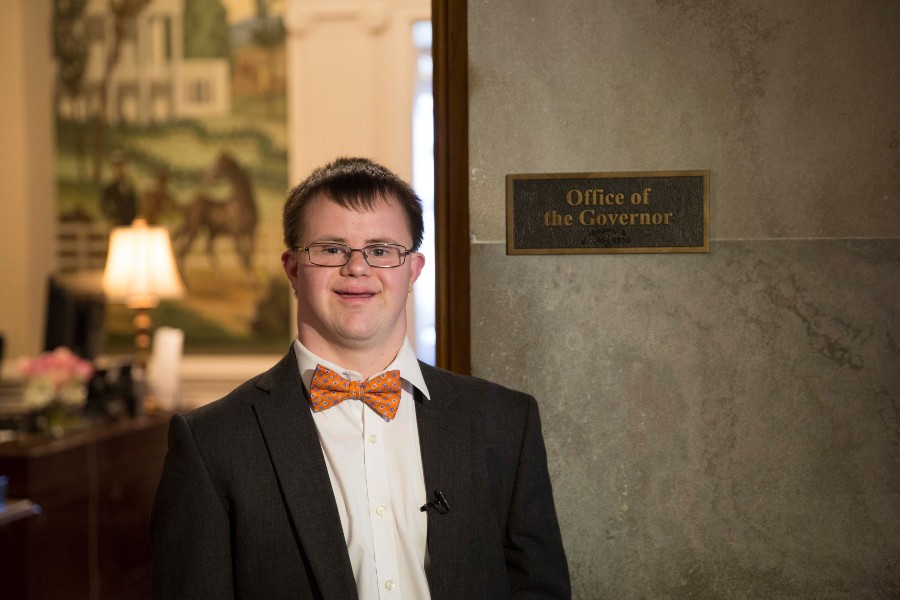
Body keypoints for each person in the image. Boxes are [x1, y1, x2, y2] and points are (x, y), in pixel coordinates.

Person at [149, 157, 570, 599]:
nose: (357, 268)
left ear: (413, 271)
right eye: (331, 249)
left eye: (382, 250)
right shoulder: (211, 443)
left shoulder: (506, 423)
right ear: (293, 269)